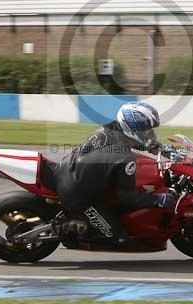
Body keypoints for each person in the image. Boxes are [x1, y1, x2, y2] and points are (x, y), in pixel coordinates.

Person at [53, 101, 177, 243]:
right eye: (146, 130)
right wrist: (158, 200)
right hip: (78, 194)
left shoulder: (111, 129)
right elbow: (128, 198)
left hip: (69, 170)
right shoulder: (123, 156)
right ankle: (70, 228)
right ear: (132, 128)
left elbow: (138, 142)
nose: (150, 133)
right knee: (119, 238)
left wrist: (163, 149)